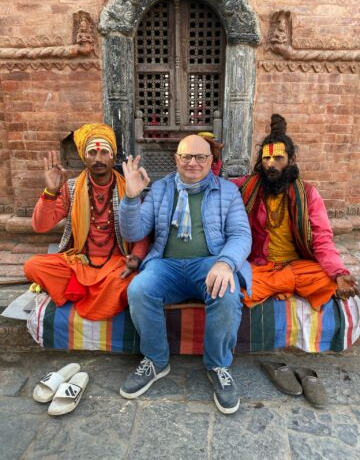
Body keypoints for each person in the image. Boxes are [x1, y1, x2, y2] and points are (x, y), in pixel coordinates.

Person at [118, 134, 252, 414]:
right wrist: (131, 197)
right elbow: (134, 232)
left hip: (210, 264)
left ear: (211, 161)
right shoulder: (161, 189)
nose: (193, 162)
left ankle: (217, 365)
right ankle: (156, 360)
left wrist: (226, 263)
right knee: (139, 289)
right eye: (186, 157)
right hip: (166, 265)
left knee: (227, 294)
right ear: (176, 159)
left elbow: (241, 234)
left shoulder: (227, 191)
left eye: (200, 157)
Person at [232, 114, 359, 310]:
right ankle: (284, 285)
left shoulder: (308, 194)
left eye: (278, 158)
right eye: (266, 158)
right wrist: (212, 162)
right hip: (260, 266)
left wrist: (339, 272)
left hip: (296, 266)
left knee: (329, 279)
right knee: (230, 288)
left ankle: (279, 285)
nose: (271, 164)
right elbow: (217, 187)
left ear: (290, 160)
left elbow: (322, 238)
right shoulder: (247, 187)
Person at [24, 123, 148, 321]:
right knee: (32, 266)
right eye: (92, 152)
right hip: (79, 261)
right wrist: (51, 192)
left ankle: (81, 292)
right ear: (84, 157)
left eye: (104, 152)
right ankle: (91, 292)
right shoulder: (71, 188)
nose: (98, 159)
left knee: (130, 281)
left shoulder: (130, 188)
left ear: (113, 157)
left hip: (115, 264)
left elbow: (142, 231)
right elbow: (41, 226)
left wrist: (137, 257)